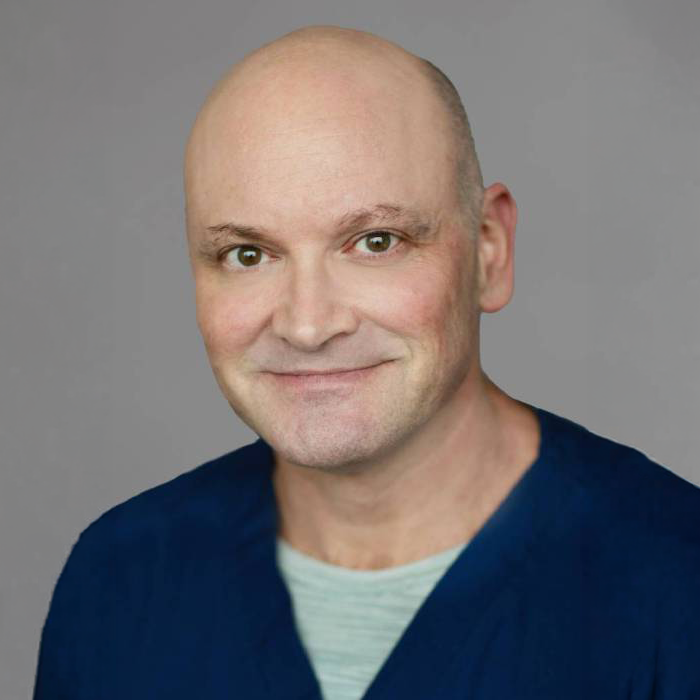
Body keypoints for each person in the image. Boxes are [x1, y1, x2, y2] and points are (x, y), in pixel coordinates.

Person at [33, 26, 700, 700]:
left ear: (489, 251)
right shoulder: (120, 581)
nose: (307, 325)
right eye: (247, 254)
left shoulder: (677, 579)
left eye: (376, 242)